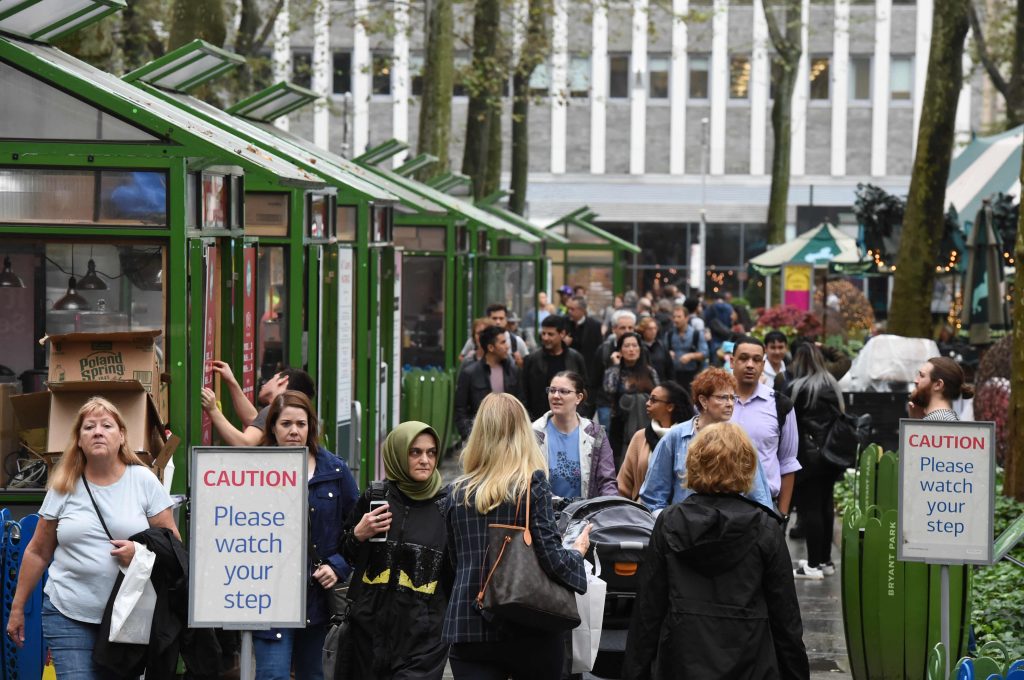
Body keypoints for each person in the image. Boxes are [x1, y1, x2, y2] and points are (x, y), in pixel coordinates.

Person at [6, 397, 179, 678]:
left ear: (121, 436)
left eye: (107, 426)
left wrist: (140, 554)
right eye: (89, 427)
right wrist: (17, 608)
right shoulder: (63, 486)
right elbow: (37, 551)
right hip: (68, 612)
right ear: (79, 440)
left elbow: (172, 545)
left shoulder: (144, 481)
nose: (98, 432)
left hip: (127, 617)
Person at [623, 423, 810, 680]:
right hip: (750, 662)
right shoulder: (765, 527)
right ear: (746, 466)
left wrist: (636, 672)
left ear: (694, 464)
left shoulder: (669, 522)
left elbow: (648, 611)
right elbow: (785, 619)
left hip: (682, 659)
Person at [443, 393, 591, 680]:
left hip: (469, 625)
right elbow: (551, 558)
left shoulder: (456, 493)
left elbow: (455, 564)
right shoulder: (532, 485)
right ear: (523, 433)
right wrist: (577, 552)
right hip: (528, 623)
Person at [253, 391, 358, 680]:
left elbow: (358, 532)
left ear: (311, 426)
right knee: (272, 675)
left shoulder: (334, 470)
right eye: (286, 423)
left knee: (314, 675)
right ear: (273, 427)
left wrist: (338, 566)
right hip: (268, 597)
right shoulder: (252, 469)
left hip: (319, 601)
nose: (294, 431)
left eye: (301, 423)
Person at [339, 421, 450, 679]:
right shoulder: (377, 497)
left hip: (423, 642)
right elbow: (345, 556)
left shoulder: (446, 507)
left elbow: (454, 574)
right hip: (366, 637)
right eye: (415, 452)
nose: (425, 460)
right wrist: (358, 535)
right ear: (398, 454)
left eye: (431, 452)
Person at [639, 369, 775, 513]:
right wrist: (670, 522)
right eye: (723, 397)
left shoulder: (740, 441)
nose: (730, 403)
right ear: (703, 401)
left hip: (731, 524)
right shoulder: (675, 438)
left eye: (732, 397)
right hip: (686, 523)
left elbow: (760, 498)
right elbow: (653, 496)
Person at [785, 344, 847, 579]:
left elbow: (788, 423)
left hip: (807, 457)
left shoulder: (796, 388)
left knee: (811, 509)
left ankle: (812, 565)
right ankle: (825, 561)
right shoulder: (832, 385)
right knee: (825, 506)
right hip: (832, 454)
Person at [731, 336, 800, 521]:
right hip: (719, 506)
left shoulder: (780, 405)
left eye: (756, 360)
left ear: (763, 364)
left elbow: (788, 462)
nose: (750, 365)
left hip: (765, 510)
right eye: (743, 358)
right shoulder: (716, 402)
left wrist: (782, 514)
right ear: (732, 361)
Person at [531, 371, 617, 500]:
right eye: (552, 390)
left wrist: (611, 508)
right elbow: (527, 481)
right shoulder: (533, 433)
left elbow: (607, 482)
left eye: (563, 391)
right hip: (545, 510)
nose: (556, 396)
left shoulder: (595, 433)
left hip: (586, 511)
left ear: (578, 397)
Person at [200, 363, 316, 446]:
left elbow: (245, 444)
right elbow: (254, 419)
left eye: (272, 378)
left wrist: (212, 410)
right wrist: (231, 381)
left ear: (283, 380)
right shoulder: (282, 411)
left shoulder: (279, 409)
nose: (264, 384)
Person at [618, 381, 691, 501]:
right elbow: (623, 484)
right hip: (641, 510)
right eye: (649, 399)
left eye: (653, 400)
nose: (647, 403)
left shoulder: (689, 438)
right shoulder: (640, 437)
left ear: (670, 407)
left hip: (679, 510)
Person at [454, 325, 525, 439]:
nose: (507, 346)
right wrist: (470, 436)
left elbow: (521, 403)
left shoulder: (514, 371)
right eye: (502, 342)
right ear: (491, 347)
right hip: (479, 437)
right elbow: (460, 410)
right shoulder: (469, 373)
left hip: (509, 437)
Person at [603, 331, 659, 469]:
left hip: (647, 424)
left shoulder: (650, 371)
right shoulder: (614, 372)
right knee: (619, 465)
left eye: (634, 345)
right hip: (620, 424)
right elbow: (609, 390)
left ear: (640, 349)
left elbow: (658, 395)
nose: (631, 349)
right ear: (620, 351)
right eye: (627, 346)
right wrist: (616, 366)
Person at [522, 315, 588, 420]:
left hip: (569, 421)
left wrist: (580, 415)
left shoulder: (575, 358)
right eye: (543, 333)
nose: (545, 338)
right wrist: (530, 419)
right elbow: (524, 392)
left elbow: (583, 389)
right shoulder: (532, 359)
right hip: (538, 420)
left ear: (562, 334)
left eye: (550, 334)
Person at [591, 309, 638, 432]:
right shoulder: (605, 349)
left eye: (630, 328)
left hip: (632, 402)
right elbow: (594, 380)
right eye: (623, 328)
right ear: (614, 329)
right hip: (607, 404)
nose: (627, 331)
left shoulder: (639, 348)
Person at [459, 304, 529, 367]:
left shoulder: (516, 341)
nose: (498, 322)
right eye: (494, 318)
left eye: (501, 318)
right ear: (488, 319)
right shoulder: (477, 339)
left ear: (506, 320)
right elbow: (462, 357)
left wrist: (519, 363)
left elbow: (528, 364)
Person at [908, 356, 974, 421]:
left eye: (922, 376)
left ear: (938, 385)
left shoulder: (939, 420)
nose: (915, 381)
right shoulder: (943, 419)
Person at [668, 303, 709, 391]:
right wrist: (668, 353)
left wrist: (691, 356)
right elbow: (663, 351)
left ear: (687, 318)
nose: (676, 320)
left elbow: (705, 353)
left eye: (679, 317)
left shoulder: (696, 334)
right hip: (674, 376)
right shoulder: (669, 334)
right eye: (674, 317)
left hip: (692, 376)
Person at [564, 296, 603, 375]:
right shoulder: (563, 322)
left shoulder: (595, 325)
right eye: (568, 309)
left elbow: (599, 349)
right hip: (568, 368)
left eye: (572, 309)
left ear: (582, 310)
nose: (569, 312)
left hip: (587, 369)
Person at [638, 316, 673, 384]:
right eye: (650, 329)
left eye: (655, 328)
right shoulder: (638, 346)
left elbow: (669, 367)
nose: (653, 331)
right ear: (643, 330)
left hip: (661, 382)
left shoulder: (661, 346)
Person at [702, 293, 735, 365]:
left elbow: (706, 321)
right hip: (727, 336)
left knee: (715, 359)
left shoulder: (710, 307)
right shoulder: (729, 307)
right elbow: (732, 320)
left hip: (714, 338)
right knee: (727, 358)